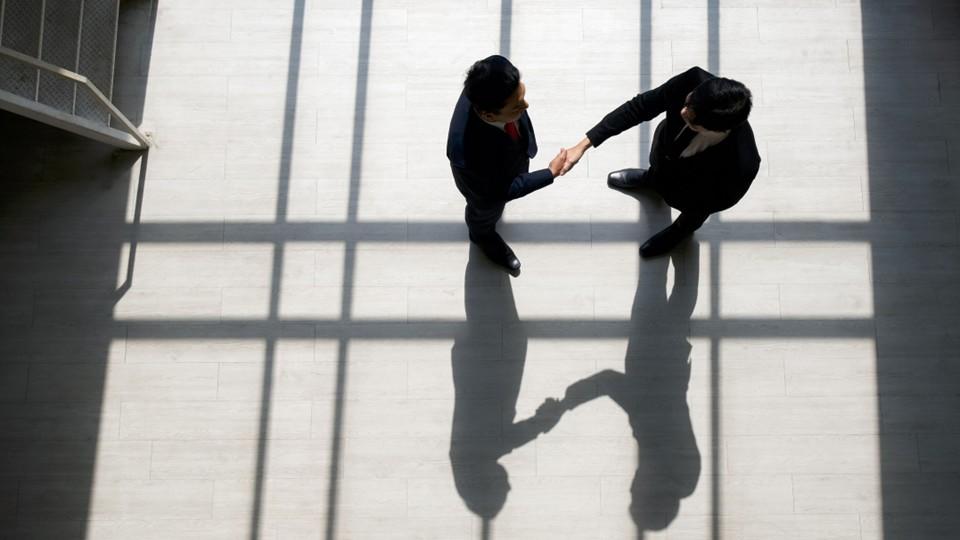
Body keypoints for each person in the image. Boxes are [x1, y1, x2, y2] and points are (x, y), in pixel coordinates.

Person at [561, 66, 761, 257]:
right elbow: (640, 106)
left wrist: (684, 204)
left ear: (716, 130)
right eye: (687, 103)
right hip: (664, 152)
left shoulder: (743, 163)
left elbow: (716, 201)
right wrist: (584, 145)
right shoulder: (694, 80)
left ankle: (679, 231)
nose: (682, 112)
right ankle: (651, 179)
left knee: (693, 216)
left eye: (691, 120)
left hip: (693, 192)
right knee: (656, 169)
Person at [447, 55, 568, 275]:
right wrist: (550, 173)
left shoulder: (496, 83)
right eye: (517, 106)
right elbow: (498, 191)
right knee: (484, 213)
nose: (526, 105)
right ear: (489, 115)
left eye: (523, 96)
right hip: (485, 191)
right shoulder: (468, 155)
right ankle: (481, 235)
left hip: (508, 160)